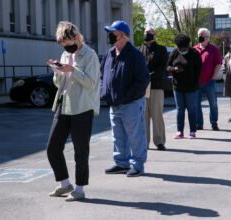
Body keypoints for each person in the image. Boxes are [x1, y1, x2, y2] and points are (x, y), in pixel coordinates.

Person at [46, 21, 101, 201]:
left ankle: (79, 189)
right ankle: (64, 183)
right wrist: (57, 72)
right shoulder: (64, 54)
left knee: (80, 150)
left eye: (69, 45)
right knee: (53, 147)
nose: (67, 49)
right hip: (64, 104)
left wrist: (72, 70)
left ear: (77, 38)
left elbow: (91, 83)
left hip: (82, 107)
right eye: (64, 46)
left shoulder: (90, 55)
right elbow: (58, 84)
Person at [100, 20, 149, 177]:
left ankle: (138, 165)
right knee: (118, 136)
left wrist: (127, 96)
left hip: (131, 104)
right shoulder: (109, 53)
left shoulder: (135, 55)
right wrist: (104, 93)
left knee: (136, 136)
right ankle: (121, 163)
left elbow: (142, 81)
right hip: (114, 104)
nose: (109, 36)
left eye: (112, 33)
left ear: (122, 35)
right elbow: (103, 75)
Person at [167, 34, 202, 139]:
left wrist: (194, 82)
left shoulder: (195, 53)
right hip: (177, 87)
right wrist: (174, 69)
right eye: (180, 47)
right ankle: (179, 131)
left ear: (188, 45)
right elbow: (167, 66)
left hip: (191, 88)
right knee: (180, 110)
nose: (182, 49)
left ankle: (192, 131)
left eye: (184, 48)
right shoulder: (174, 53)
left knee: (191, 109)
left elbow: (199, 70)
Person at [139, 27, 167, 151]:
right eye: (145, 33)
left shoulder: (161, 49)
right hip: (142, 88)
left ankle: (159, 141)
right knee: (143, 116)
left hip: (156, 86)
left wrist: (149, 76)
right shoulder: (140, 49)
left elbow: (162, 68)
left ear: (154, 35)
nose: (147, 35)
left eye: (149, 33)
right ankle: (144, 143)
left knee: (157, 115)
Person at [193, 28, 222, 131]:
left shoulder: (214, 49)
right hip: (197, 82)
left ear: (208, 37)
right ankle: (199, 124)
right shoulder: (194, 49)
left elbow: (218, 64)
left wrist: (214, 76)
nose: (200, 37)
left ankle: (214, 123)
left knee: (213, 103)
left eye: (203, 35)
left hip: (210, 81)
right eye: (199, 35)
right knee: (196, 103)